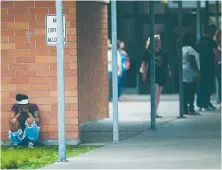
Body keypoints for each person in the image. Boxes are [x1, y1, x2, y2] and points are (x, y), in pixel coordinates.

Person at [140, 35, 172, 118]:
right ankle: (153, 111)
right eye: (156, 42)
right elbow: (144, 63)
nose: (158, 43)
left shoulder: (163, 52)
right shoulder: (148, 52)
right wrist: (144, 73)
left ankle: (155, 111)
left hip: (162, 74)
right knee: (155, 92)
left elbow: (167, 63)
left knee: (158, 94)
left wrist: (169, 70)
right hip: (153, 74)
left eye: (159, 42)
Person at [196, 25, 220, 111]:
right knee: (208, 85)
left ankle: (200, 104)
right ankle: (206, 103)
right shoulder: (212, 42)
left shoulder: (199, 41)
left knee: (201, 85)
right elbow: (216, 54)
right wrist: (217, 61)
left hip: (200, 66)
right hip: (209, 66)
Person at [182, 34, 200, 115]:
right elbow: (191, 59)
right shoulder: (189, 49)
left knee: (185, 91)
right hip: (189, 71)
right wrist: (196, 71)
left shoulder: (182, 49)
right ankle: (191, 108)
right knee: (191, 90)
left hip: (183, 71)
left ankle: (184, 108)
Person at [214, 29, 221, 106]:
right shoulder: (216, 44)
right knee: (220, 83)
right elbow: (217, 57)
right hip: (219, 65)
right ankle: (220, 99)